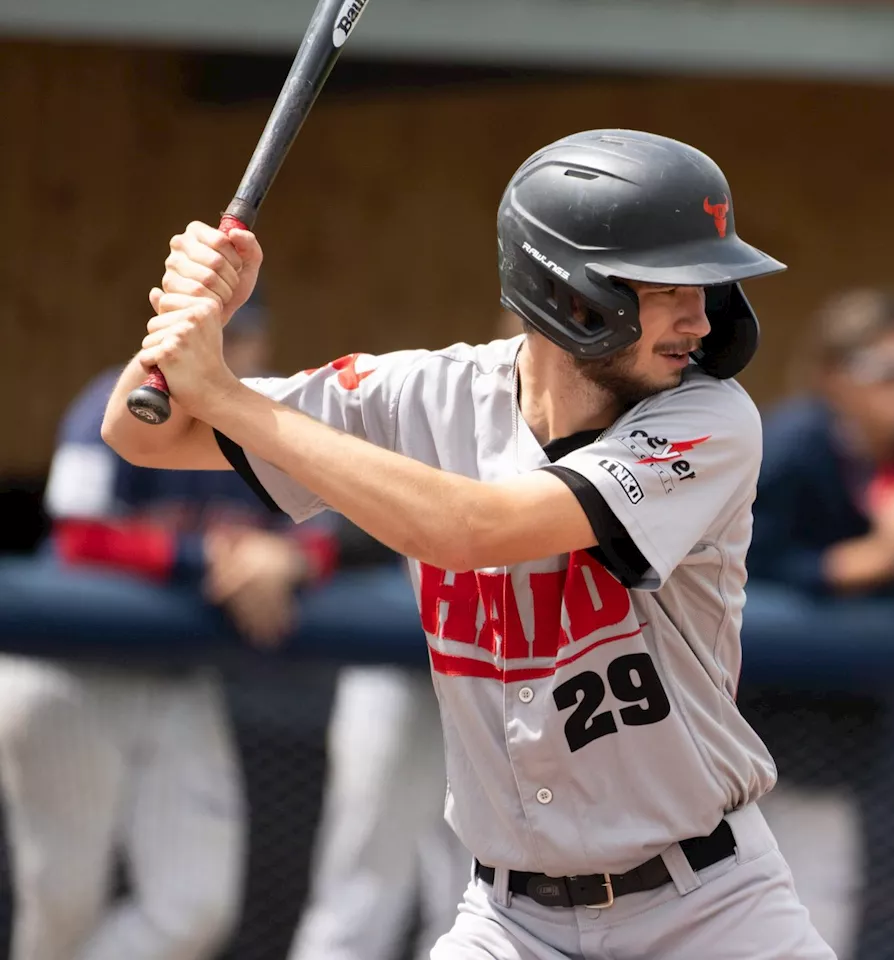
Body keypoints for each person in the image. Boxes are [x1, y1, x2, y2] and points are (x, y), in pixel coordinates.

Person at [100, 129, 834, 959]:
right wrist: (191, 316)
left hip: (710, 911)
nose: (700, 319)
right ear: (571, 292)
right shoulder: (430, 393)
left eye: (706, 286)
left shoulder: (712, 419)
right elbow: (140, 432)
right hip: (511, 921)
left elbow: (468, 530)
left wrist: (226, 393)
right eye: (669, 286)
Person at [0, 301, 339, 960]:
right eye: (214, 333)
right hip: (71, 672)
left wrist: (288, 558)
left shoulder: (266, 424)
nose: (229, 349)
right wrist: (204, 556)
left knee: (194, 908)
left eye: (241, 333)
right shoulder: (115, 401)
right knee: (63, 909)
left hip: (177, 677)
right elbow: (76, 531)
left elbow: (322, 539)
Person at [747, 287, 894, 958]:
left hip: (830, 738)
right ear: (833, 376)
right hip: (724, 732)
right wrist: (877, 557)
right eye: (886, 372)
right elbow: (738, 569)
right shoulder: (789, 445)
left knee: (817, 915)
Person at [286, 312, 526, 960]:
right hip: (403, 677)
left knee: (476, 900)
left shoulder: (588, 431)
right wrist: (299, 557)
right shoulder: (444, 401)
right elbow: (355, 515)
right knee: (360, 893)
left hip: (510, 694)